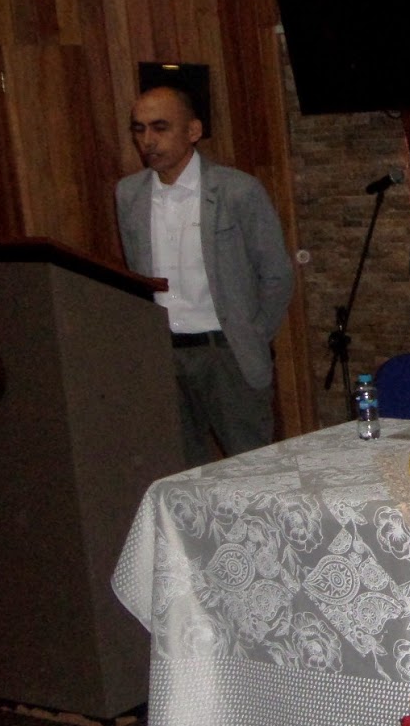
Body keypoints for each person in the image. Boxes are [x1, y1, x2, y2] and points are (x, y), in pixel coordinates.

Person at [117, 85, 294, 466]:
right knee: (180, 474)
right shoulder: (129, 195)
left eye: (160, 127)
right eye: (139, 129)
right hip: (164, 355)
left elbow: (276, 274)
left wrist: (251, 334)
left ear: (193, 131)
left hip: (226, 353)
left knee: (252, 468)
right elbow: (135, 278)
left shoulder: (237, 190)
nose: (147, 140)